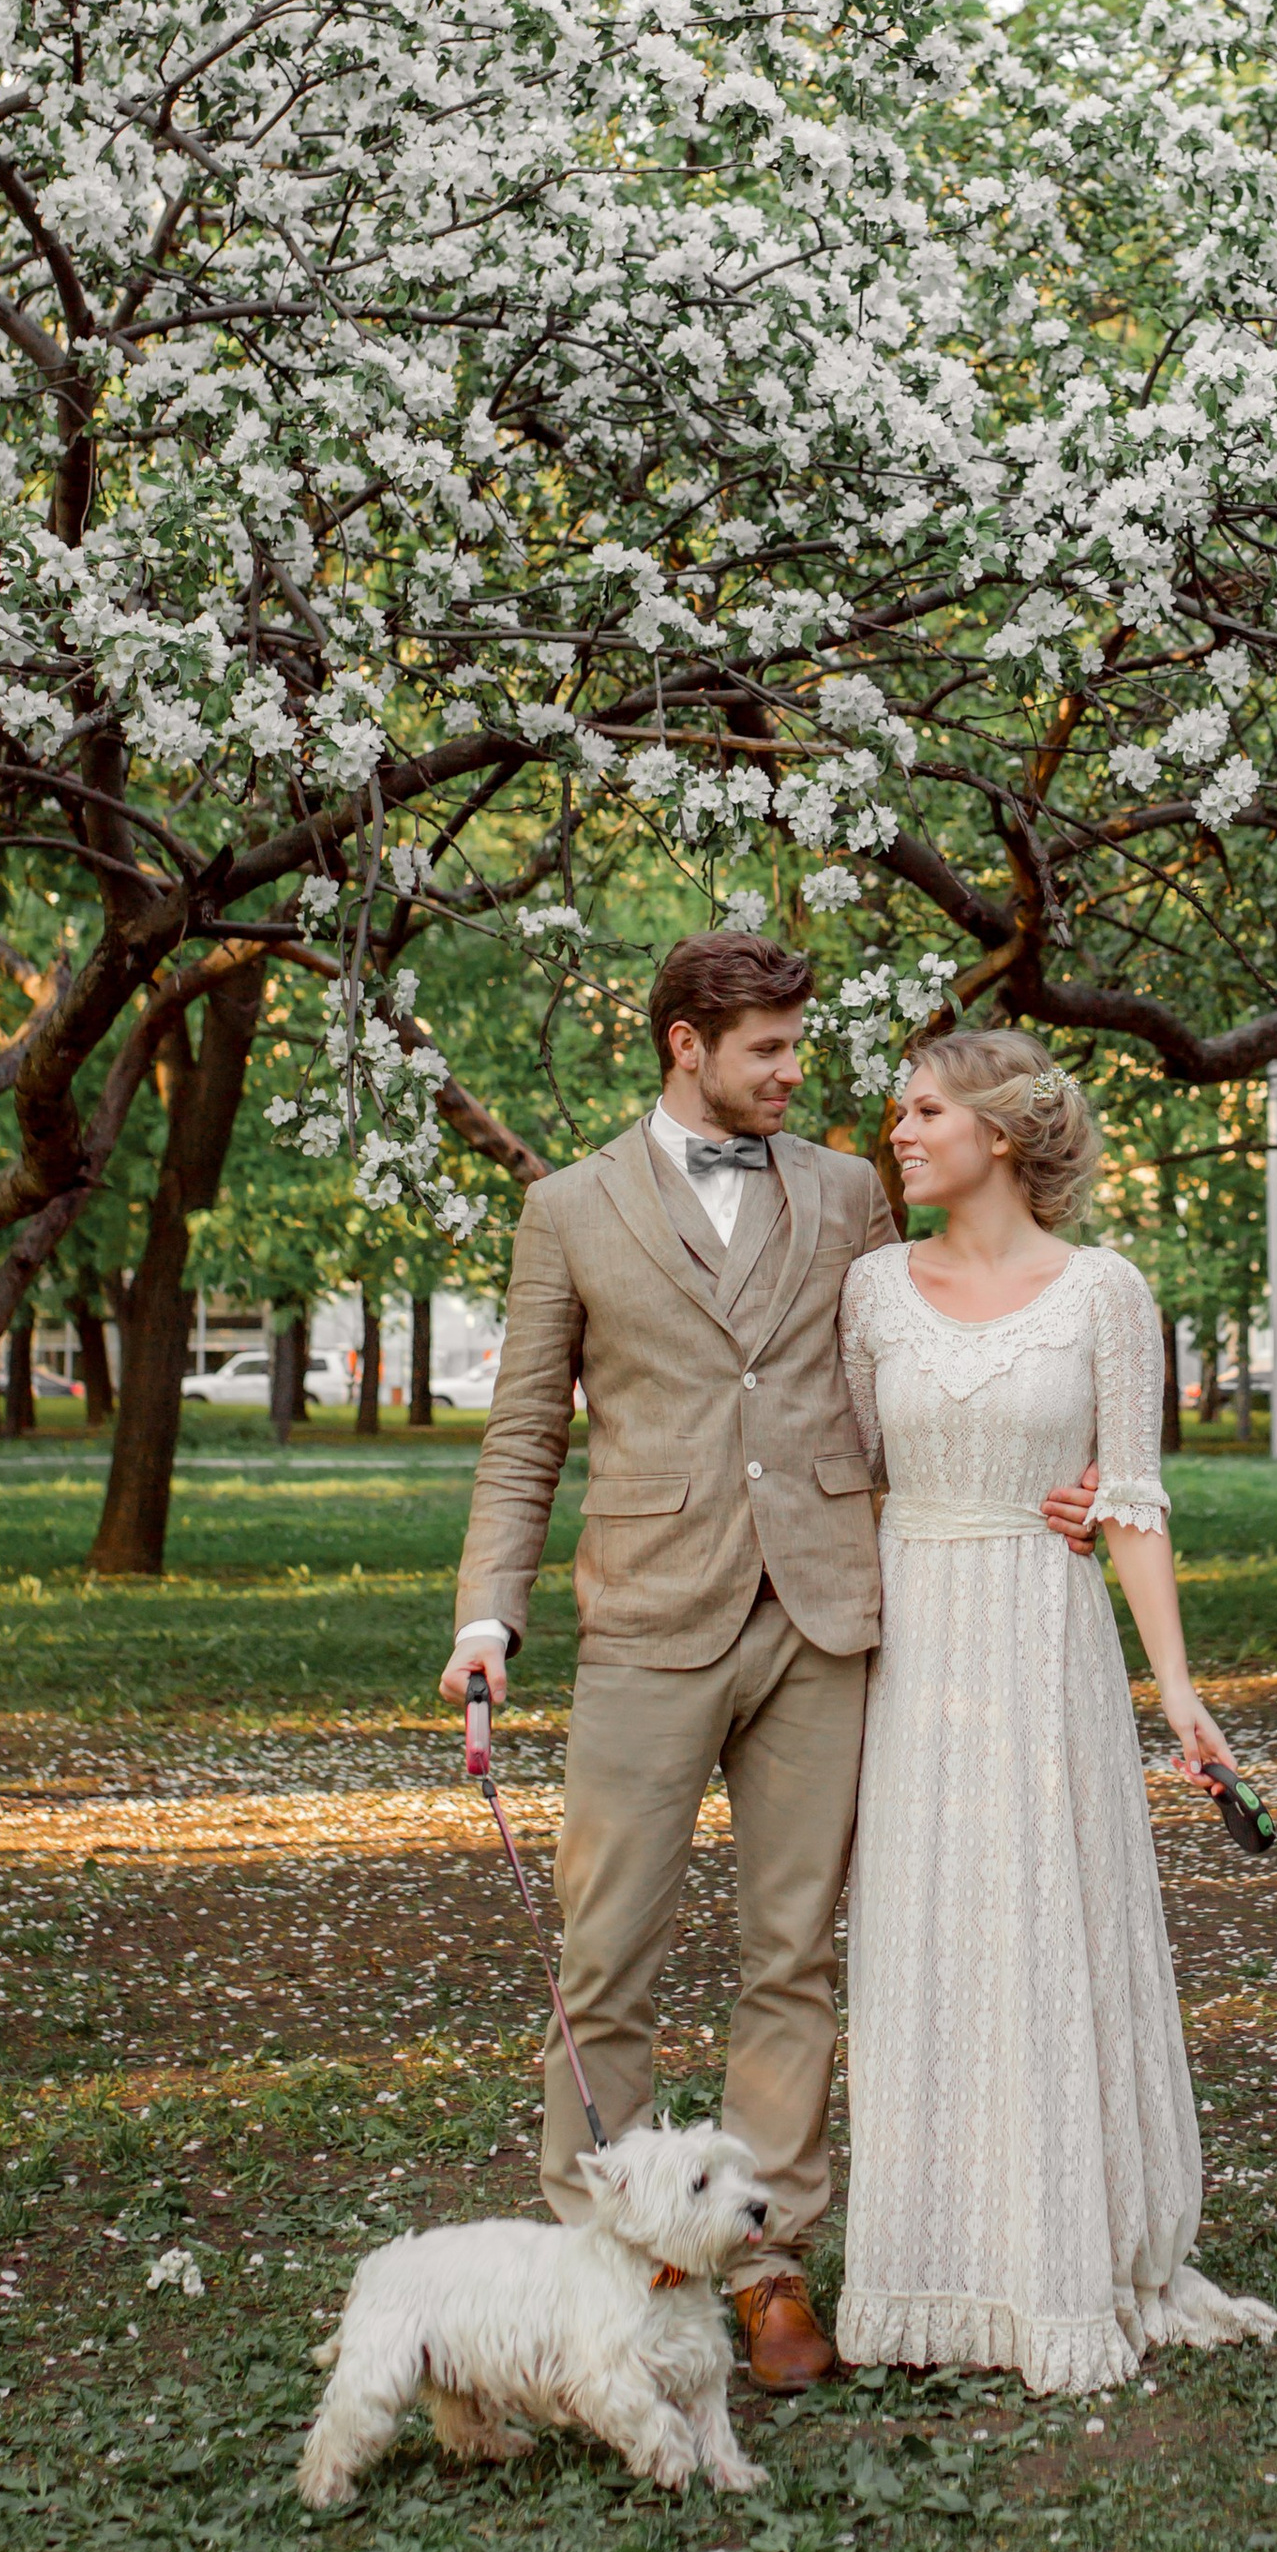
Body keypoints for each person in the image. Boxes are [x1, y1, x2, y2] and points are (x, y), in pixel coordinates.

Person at [438, 933, 1092, 2390]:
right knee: (603, 1958)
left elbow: (927, 1350)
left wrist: (1050, 1469)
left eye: (801, 1046)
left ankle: (772, 2263)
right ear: (685, 1043)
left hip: (825, 1617)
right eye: (770, 1052)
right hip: (648, 1620)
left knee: (791, 1956)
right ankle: (596, 2258)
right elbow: (527, 1429)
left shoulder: (851, 1195)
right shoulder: (567, 1209)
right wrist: (490, 1613)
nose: (799, 1075)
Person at [835, 1028, 1277, 2393]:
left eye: (923, 1112)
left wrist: (1182, 1694)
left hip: (1045, 1638)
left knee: (1045, 1925)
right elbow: (846, 1476)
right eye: (899, 1110)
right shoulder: (868, 1292)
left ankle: (1067, 2258)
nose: (899, 1132)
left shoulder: (1105, 1294)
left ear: (1002, 1136)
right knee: (921, 1939)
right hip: (911, 1643)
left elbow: (1132, 1504)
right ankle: (928, 2259)